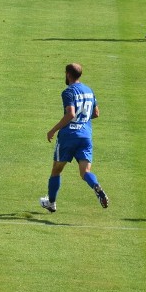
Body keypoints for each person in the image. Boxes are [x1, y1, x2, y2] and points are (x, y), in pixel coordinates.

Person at [40, 63, 108, 213]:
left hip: (69, 136)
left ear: (68, 74)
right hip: (86, 136)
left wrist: (53, 130)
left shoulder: (68, 92)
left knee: (56, 170)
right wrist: (83, 120)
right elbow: (96, 113)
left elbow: (70, 114)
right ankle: (95, 185)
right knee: (85, 172)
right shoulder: (89, 91)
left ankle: (51, 203)